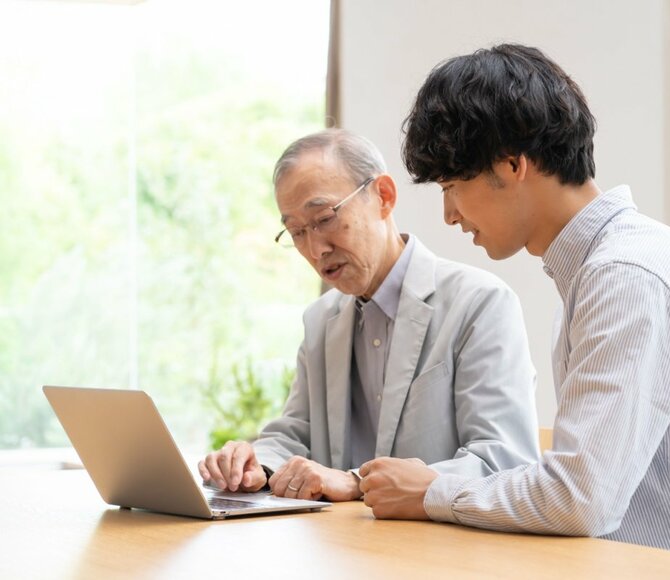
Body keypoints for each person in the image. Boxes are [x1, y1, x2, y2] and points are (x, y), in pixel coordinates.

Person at [358, 44, 670, 568]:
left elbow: (582, 500)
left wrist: (431, 492)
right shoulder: (600, 270)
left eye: (452, 186)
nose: (449, 215)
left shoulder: (629, 273)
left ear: (514, 164)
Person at [198, 128, 539, 503]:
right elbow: (295, 434)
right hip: (344, 548)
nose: (315, 248)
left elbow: (503, 462)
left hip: (443, 551)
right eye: (296, 232)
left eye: (325, 218)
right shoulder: (320, 320)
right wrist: (254, 466)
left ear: (384, 197)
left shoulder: (479, 303)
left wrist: (356, 480)